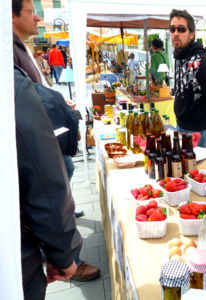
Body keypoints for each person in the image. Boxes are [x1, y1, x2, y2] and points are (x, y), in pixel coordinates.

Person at [12, 0, 100, 282]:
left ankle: (63, 243)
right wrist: (63, 255)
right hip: (39, 146)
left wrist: (59, 102)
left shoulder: (17, 48)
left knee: (63, 176)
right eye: (31, 10)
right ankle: (68, 260)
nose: (38, 17)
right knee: (54, 183)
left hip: (45, 140)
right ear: (10, 14)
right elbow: (42, 181)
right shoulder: (8, 55)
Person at [14, 64, 82, 300]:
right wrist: (63, 255)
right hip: (16, 256)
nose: (38, 23)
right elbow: (45, 182)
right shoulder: (11, 82)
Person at [169, 9, 206, 148]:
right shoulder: (179, 56)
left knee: (197, 169)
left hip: (197, 132)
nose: (176, 33)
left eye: (181, 29)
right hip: (179, 126)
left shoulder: (202, 63)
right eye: (172, 29)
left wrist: (201, 121)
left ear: (191, 34)